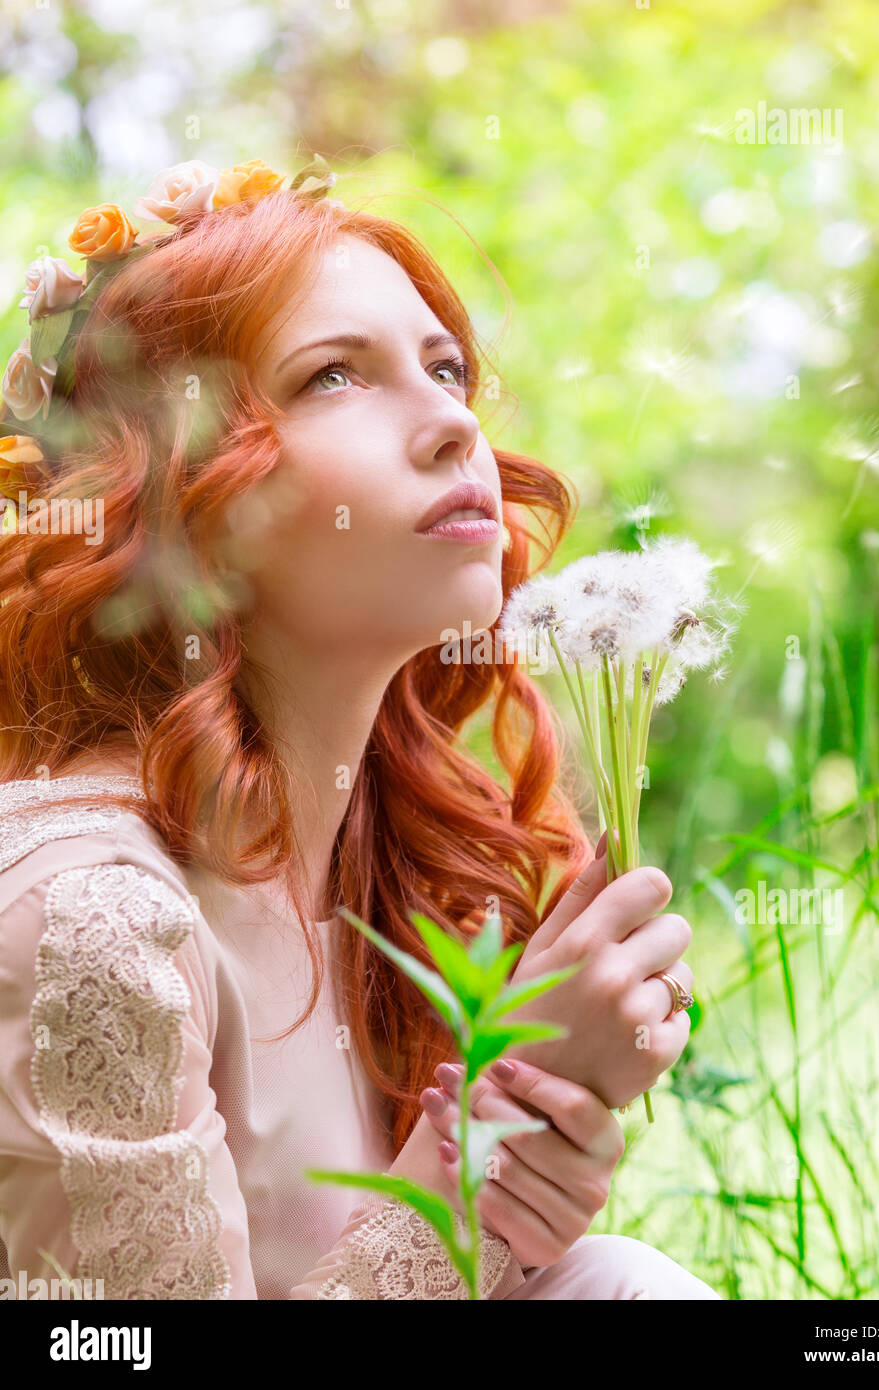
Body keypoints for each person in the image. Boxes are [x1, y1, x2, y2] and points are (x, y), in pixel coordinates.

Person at [0, 157, 720, 1300]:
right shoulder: (90, 915)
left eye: (446, 368)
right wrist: (501, 1113)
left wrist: (514, 1141)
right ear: (180, 497)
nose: (449, 421)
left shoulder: (376, 868)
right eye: (333, 375)